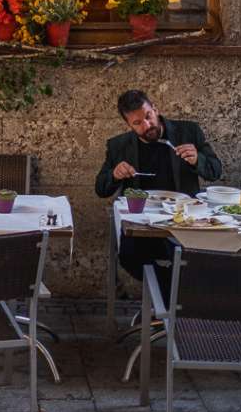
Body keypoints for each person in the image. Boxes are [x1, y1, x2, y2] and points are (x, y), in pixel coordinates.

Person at [95, 89, 223, 279]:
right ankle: (171, 296)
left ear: (155, 109)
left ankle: (166, 298)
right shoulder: (118, 146)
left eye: (148, 116)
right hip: (142, 227)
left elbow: (215, 171)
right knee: (129, 258)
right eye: (137, 123)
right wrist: (114, 174)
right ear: (128, 124)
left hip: (185, 223)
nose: (147, 125)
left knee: (200, 261)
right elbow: (101, 189)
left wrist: (198, 160)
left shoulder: (188, 131)